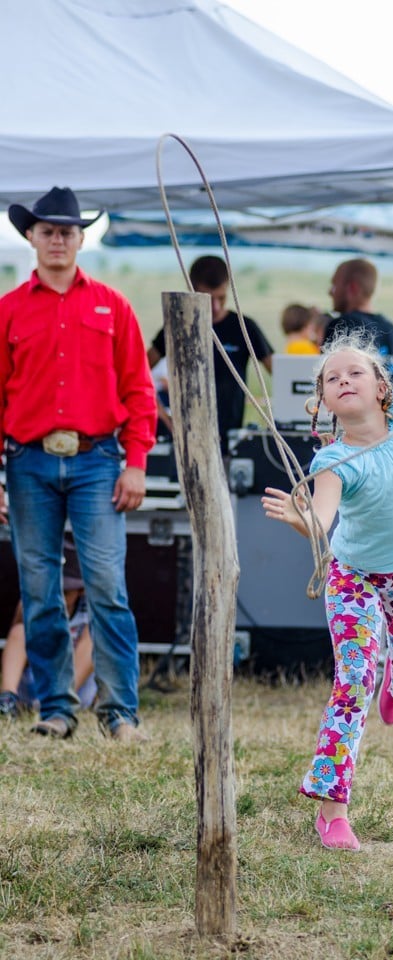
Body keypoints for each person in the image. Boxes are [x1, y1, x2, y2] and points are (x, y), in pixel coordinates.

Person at [261, 299, 393, 851]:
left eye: (355, 372)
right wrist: (304, 522)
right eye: (331, 377)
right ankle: (332, 809)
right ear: (322, 398)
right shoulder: (332, 462)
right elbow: (323, 523)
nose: (343, 380)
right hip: (355, 579)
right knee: (352, 684)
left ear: (380, 387)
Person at [0, 186, 157, 741]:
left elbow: (140, 391)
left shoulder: (113, 305)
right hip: (27, 463)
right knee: (39, 588)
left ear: (81, 237)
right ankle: (57, 709)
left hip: (97, 461)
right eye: (48, 230)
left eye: (67, 231)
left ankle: (120, 713)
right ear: (31, 237)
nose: (58, 239)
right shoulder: (9, 309)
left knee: (107, 585)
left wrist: (135, 462)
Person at [147, 255, 274, 454]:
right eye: (207, 298)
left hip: (230, 442)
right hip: (186, 443)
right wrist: (163, 416)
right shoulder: (178, 325)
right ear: (192, 290)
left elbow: (281, 374)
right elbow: (139, 371)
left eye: (221, 298)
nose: (215, 307)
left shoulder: (243, 326)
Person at [0, 541, 96, 718]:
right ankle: (7, 700)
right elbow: (15, 645)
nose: (57, 598)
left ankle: (63, 700)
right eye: (53, 590)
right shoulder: (32, 602)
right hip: (35, 684)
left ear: (81, 590)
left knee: (95, 637)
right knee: (20, 632)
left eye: (65, 592)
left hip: (76, 687)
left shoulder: (88, 609)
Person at [322, 258, 393, 384]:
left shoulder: (342, 326)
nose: (330, 293)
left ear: (352, 288)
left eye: (334, 285)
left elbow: (331, 381)